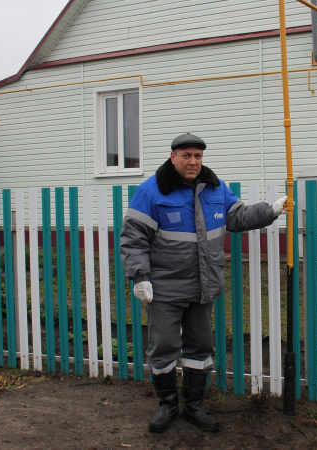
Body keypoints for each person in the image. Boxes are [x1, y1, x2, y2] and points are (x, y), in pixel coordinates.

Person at [120, 133, 287, 433]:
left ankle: (193, 407)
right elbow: (133, 239)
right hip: (164, 289)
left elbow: (237, 217)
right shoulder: (150, 191)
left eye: (198, 156)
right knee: (164, 347)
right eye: (187, 155)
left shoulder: (215, 188)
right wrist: (140, 276)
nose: (193, 161)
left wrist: (270, 211)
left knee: (201, 348)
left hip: (203, 286)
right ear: (173, 157)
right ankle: (167, 406)